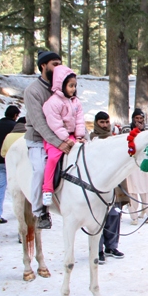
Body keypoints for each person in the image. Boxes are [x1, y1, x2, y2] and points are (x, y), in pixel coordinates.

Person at [24, 50, 65, 229]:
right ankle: (40, 211)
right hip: (38, 139)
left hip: (62, 137)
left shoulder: (63, 87)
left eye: (60, 64)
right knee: (41, 170)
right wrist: (59, 142)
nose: (58, 68)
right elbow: (38, 122)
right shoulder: (32, 91)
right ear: (43, 66)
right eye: (55, 64)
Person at [41, 66, 86, 208]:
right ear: (61, 85)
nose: (73, 89)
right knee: (53, 158)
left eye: (75, 86)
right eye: (70, 86)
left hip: (72, 136)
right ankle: (47, 189)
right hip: (56, 138)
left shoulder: (75, 101)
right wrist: (66, 139)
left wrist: (79, 136)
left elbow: (80, 120)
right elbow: (55, 124)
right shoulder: (52, 103)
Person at [90, 112, 126, 263]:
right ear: (96, 123)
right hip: (97, 184)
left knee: (114, 216)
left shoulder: (114, 139)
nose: (105, 125)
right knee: (99, 218)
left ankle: (111, 246)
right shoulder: (92, 140)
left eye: (106, 122)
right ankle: (98, 249)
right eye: (101, 122)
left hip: (114, 183)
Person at [122, 109, 148, 225]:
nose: (139, 120)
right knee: (132, 190)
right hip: (131, 162)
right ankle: (134, 217)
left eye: (141, 118)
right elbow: (124, 143)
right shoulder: (126, 129)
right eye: (136, 118)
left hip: (144, 163)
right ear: (133, 119)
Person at [0, 105, 20, 225]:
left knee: (0, 187)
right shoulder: (14, 127)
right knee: (19, 188)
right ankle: (20, 213)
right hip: (12, 161)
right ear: (15, 115)